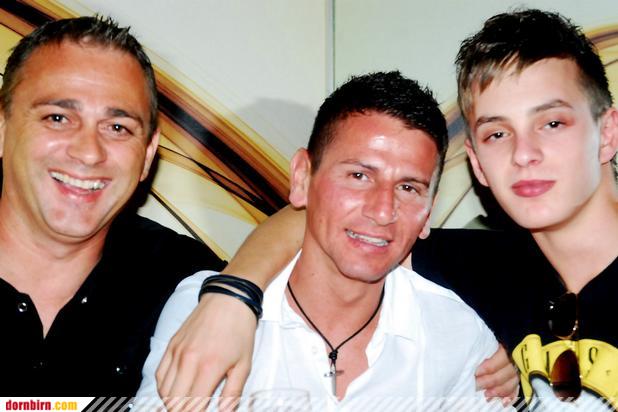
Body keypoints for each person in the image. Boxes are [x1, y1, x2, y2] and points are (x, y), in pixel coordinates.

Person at [156, 8, 618, 411]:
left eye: (552, 123)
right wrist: (235, 296)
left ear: (608, 133)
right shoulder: (484, 270)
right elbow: (326, 221)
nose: (524, 154)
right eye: (497, 133)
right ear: (477, 163)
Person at [137, 71, 508, 410]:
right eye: (359, 176)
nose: (383, 211)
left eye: (408, 188)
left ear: (428, 211)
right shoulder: (207, 311)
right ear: (302, 177)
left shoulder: (457, 333)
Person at [0, 16, 224, 395]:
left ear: (148, 154)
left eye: (117, 128)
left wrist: (242, 288)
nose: (89, 152)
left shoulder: (182, 280)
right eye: (58, 118)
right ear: (2, 127)